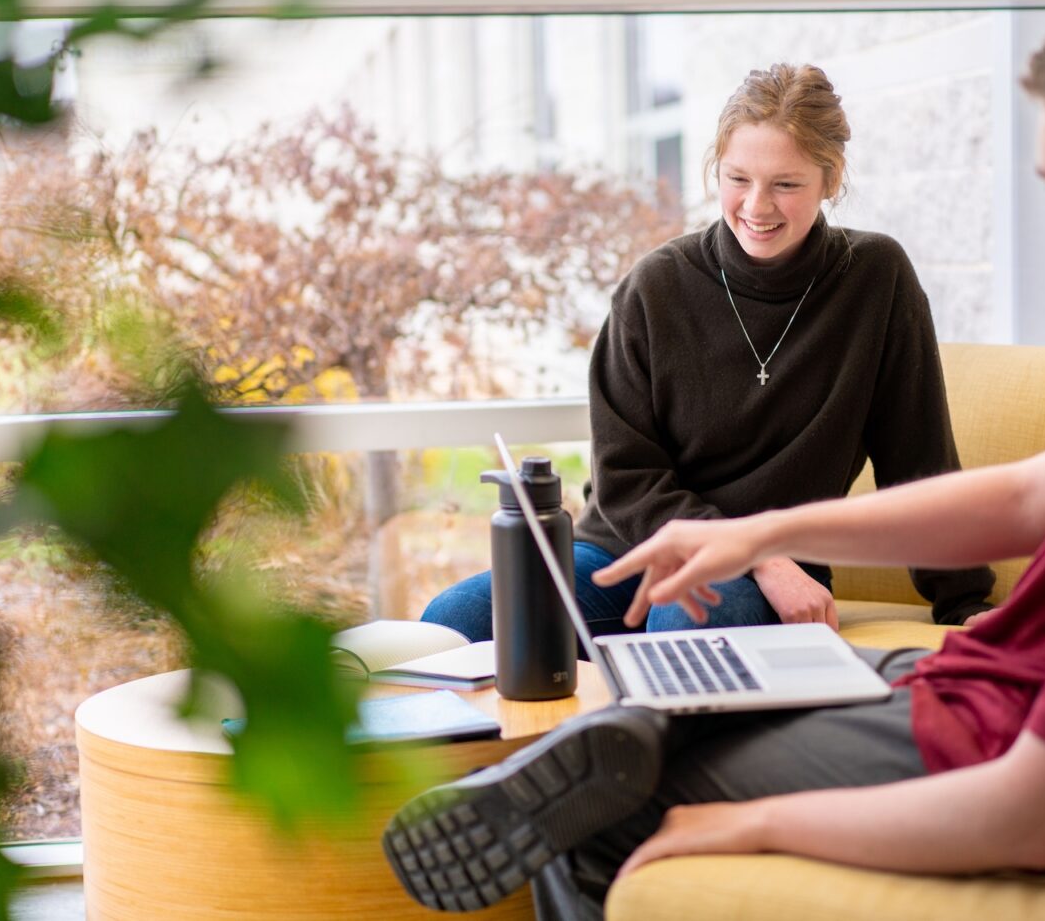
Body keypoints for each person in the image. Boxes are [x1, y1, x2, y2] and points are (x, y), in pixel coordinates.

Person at [383, 0, 1045, 918]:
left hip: (987, 734)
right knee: (676, 701)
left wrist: (745, 825)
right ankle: (660, 726)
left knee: (603, 802)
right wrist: (765, 532)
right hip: (977, 685)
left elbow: (1034, 808)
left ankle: (653, 749)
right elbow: (1021, 493)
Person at [420, 63, 994, 642]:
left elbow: (919, 461)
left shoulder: (874, 280)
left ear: (832, 177)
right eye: (737, 178)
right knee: (452, 623)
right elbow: (625, 478)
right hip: (631, 551)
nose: (756, 206)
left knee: (688, 625)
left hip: (756, 578)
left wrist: (966, 602)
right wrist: (757, 556)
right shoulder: (655, 288)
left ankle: (636, 727)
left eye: (786, 184)